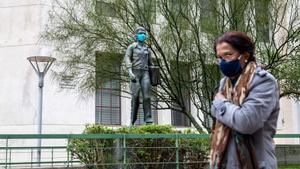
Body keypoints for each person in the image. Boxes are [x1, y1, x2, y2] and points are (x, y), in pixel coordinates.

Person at [210, 31, 280, 169]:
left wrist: (220, 103)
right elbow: (214, 111)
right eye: (219, 57)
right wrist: (225, 108)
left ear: (245, 56)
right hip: (225, 162)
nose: (223, 61)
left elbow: (246, 122)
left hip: (256, 163)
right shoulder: (225, 83)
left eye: (228, 55)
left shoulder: (263, 81)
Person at [124, 26, 153, 126]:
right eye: (141, 33)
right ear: (136, 36)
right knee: (135, 97)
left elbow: (151, 63)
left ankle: (148, 119)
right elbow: (127, 58)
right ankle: (132, 120)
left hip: (145, 73)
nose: (142, 35)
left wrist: (155, 71)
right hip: (135, 74)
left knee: (147, 97)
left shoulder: (147, 49)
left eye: (144, 34)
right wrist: (130, 72)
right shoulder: (132, 47)